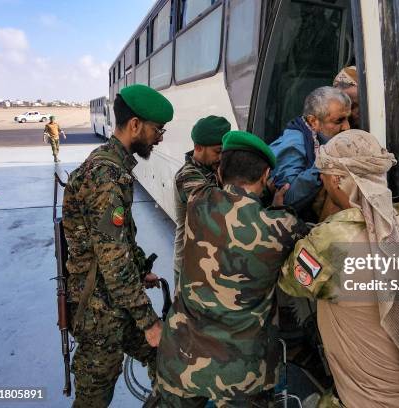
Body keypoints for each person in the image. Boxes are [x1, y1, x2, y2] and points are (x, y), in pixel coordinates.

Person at [279, 129, 399, 407]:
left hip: (363, 400)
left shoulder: (333, 241)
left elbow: (290, 280)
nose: (321, 182)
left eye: (323, 176)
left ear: (336, 180)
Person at [155, 130, 308, 407]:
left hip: (181, 360)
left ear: (221, 172)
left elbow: (199, 182)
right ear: (265, 176)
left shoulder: (198, 203)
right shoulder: (280, 228)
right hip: (241, 376)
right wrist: (277, 208)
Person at [62, 84, 174, 408]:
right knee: (93, 400)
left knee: (164, 359)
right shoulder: (106, 175)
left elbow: (118, 239)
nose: (161, 137)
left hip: (114, 300)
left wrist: (141, 271)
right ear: (135, 125)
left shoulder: (113, 165)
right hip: (100, 312)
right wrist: (149, 321)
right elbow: (112, 260)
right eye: (157, 129)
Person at [270, 86, 351, 221]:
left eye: (348, 119)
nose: (347, 127)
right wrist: (324, 163)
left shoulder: (321, 138)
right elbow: (287, 199)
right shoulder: (293, 144)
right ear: (313, 121)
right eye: (339, 121)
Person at [173, 115, 230, 285]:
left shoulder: (212, 169)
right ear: (198, 148)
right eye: (218, 152)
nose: (221, 158)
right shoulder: (188, 176)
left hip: (210, 264)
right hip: (190, 268)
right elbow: (217, 210)